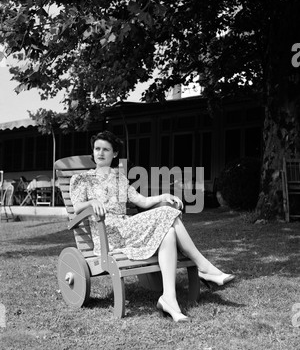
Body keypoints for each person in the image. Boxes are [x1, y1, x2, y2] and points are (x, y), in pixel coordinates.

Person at [70, 131, 235, 323]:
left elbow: (141, 200)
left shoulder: (119, 179)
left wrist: (163, 197)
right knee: (167, 216)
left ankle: (169, 299)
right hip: (106, 234)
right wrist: (92, 203)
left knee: (169, 232)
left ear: (114, 154)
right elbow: (76, 207)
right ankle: (203, 267)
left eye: (105, 149)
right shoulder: (82, 179)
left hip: (126, 229)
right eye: (97, 148)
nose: (100, 153)